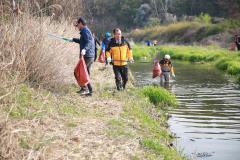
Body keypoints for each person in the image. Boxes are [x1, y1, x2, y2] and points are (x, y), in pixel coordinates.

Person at [64, 17, 95, 96]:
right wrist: (73, 39)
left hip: (87, 56)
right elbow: (82, 41)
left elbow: (89, 42)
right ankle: (89, 90)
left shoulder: (85, 31)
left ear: (81, 23)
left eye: (77, 25)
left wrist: (85, 49)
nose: (77, 27)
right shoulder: (84, 31)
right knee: (85, 73)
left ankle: (85, 89)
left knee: (77, 72)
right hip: (89, 55)